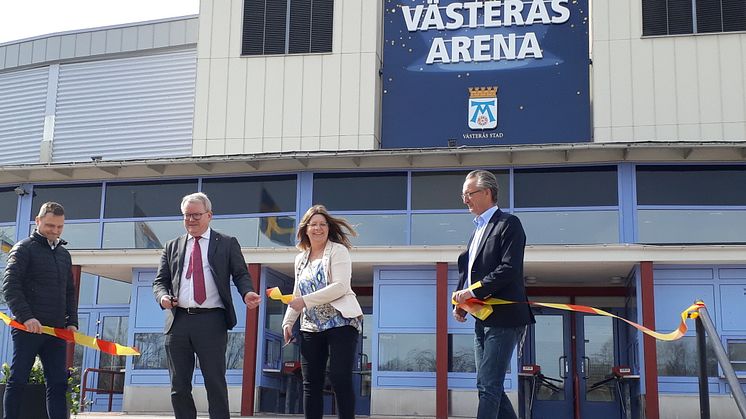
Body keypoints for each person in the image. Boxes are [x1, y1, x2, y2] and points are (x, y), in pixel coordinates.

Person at [152, 192, 261, 419]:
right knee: (179, 385)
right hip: (178, 321)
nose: (191, 220)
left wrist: (247, 292)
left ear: (209, 215)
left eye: (196, 215)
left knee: (215, 382)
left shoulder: (227, 243)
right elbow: (160, 282)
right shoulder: (172, 246)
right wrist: (163, 298)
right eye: (186, 215)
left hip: (211, 321)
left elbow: (241, 274)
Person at [451, 170, 535, 419]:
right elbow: (468, 270)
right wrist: (461, 301)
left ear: (487, 193)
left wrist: (472, 291)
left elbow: (508, 269)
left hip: (506, 317)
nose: (465, 199)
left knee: (488, 386)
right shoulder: (476, 231)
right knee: (488, 385)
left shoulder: (508, 224)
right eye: (463, 194)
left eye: (469, 193)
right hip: (482, 317)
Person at [282, 205, 363, 419]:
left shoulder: (338, 251)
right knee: (311, 383)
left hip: (341, 322)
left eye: (322, 224)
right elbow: (297, 291)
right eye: (313, 224)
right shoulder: (301, 258)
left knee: (339, 377)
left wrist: (305, 301)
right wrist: (288, 323)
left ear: (328, 228)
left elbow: (340, 287)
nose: (318, 228)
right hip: (311, 326)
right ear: (306, 229)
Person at [2, 202, 78, 419]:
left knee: (58, 382)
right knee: (18, 379)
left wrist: (72, 321)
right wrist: (27, 317)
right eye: (50, 226)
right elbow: (10, 287)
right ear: (37, 221)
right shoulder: (23, 249)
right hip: (28, 329)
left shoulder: (64, 255)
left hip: (56, 331)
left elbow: (69, 292)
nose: (54, 231)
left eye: (59, 227)